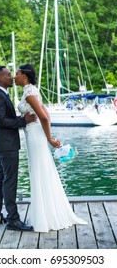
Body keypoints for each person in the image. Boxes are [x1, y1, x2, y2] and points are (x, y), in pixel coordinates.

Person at [14, 63, 87, 232]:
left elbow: (45, 118)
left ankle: (45, 217)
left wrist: (49, 139)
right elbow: (46, 116)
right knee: (42, 171)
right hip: (35, 134)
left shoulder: (30, 93)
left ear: (24, 75)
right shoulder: (32, 90)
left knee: (39, 171)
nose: (14, 77)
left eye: (17, 74)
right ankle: (47, 212)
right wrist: (49, 136)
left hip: (35, 136)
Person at [0, 65, 36, 231]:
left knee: (0, 179)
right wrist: (24, 121)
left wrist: (20, 119)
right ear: (0, 78)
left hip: (3, 144)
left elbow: (4, 118)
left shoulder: (1, 95)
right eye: (9, 75)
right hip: (6, 145)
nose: (12, 77)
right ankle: (13, 219)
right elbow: (2, 121)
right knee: (10, 182)